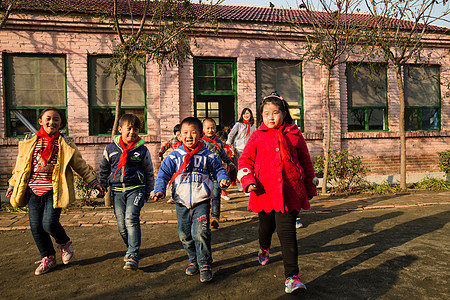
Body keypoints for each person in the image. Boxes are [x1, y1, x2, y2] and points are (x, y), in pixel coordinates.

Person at [5, 108, 106, 275]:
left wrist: (94, 182)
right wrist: (12, 184)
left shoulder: (65, 143)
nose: (52, 122)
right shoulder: (30, 140)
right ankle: (48, 257)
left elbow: (80, 165)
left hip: (54, 191)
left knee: (49, 223)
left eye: (56, 119)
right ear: (40, 121)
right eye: (48, 119)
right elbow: (20, 166)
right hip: (33, 190)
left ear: (61, 123)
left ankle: (64, 243)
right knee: (36, 227)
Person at [238, 93, 317, 294]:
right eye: (266, 113)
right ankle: (264, 247)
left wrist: (309, 186)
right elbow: (245, 161)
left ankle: (292, 278)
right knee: (265, 228)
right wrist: (248, 180)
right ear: (261, 116)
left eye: (275, 113)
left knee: (287, 235)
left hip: (289, 194)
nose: (271, 117)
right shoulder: (257, 135)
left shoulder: (294, 134)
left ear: (284, 114)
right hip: (264, 193)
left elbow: (305, 162)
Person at [153, 117, 230, 283]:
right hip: (181, 203)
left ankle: (204, 264)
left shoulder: (208, 155)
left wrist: (223, 179)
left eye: (193, 132)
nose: (189, 136)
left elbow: (219, 169)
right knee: (184, 234)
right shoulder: (174, 156)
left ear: (200, 135)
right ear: (179, 136)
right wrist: (159, 190)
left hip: (201, 201)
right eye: (185, 133)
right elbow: (163, 174)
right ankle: (193, 258)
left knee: (201, 232)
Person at [99, 114, 154, 271]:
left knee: (131, 219)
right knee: (122, 225)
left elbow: (149, 170)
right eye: (128, 129)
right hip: (117, 191)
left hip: (136, 189)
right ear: (120, 129)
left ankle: (133, 255)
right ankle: (131, 247)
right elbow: (104, 168)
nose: (132, 132)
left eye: (136, 129)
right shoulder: (110, 149)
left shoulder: (142, 150)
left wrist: (149, 190)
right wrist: (102, 185)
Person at [202, 118, 234, 229]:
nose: (210, 130)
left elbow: (223, 155)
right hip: (204, 174)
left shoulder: (218, 141)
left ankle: (215, 217)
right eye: (208, 128)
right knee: (204, 197)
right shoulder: (201, 142)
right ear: (203, 129)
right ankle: (203, 217)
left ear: (215, 128)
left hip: (216, 173)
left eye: (212, 128)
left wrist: (229, 162)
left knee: (216, 195)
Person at [226, 108, 256, 193]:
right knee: (239, 168)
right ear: (242, 115)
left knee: (248, 168)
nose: (246, 115)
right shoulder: (239, 124)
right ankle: (240, 185)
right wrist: (228, 144)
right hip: (238, 149)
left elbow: (254, 138)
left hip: (249, 150)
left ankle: (246, 184)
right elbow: (231, 135)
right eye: (244, 114)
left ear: (251, 115)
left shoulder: (253, 126)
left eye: (248, 113)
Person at [158, 124, 182, 204]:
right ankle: (173, 197)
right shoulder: (173, 141)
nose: (179, 136)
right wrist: (160, 154)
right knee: (174, 181)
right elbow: (164, 146)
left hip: (184, 164)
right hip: (175, 164)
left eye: (180, 134)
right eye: (177, 134)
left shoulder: (186, 142)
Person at [217, 130, 234, 201]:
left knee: (225, 179)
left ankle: (223, 193)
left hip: (225, 166)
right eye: (221, 140)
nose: (222, 142)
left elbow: (230, 154)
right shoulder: (216, 147)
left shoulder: (227, 147)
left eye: (223, 140)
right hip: (218, 166)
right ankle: (222, 193)